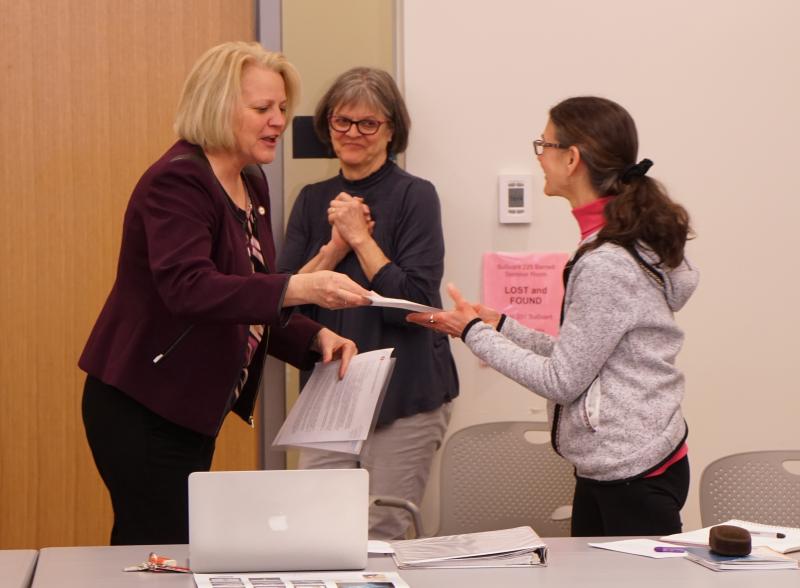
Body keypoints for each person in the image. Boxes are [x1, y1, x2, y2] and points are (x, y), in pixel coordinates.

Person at [79, 42, 372, 546]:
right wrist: (301, 286)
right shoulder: (178, 181)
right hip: (145, 404)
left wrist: (311, 338)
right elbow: (190, 288)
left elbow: (243, 293)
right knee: (159, 552)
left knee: (175, 549)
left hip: (188, 407)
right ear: (217, 108)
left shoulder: (249, 183)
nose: (278, 121)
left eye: (282, 108)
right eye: (261, 109)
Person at [409, 96, 699, 537]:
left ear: (572, 158)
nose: (540, 158)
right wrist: (499, 325)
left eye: (543, 145)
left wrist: (471, 333)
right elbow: (581, 356)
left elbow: (562, 380)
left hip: (631, 470)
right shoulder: (613, 244)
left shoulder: (607, 262)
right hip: (618, 464)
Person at [278, 67, 459, 539]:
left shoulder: (416, 196)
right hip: (331, 391)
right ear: (328, 125)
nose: (352, 134)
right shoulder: (311, 199)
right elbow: (281, 301)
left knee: (383, 532)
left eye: (368, 124)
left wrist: (361, 239)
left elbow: (419, 305)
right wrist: (333, 249)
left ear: (391, 130)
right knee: (314, 531)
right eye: (342, 122)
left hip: (406, 393)